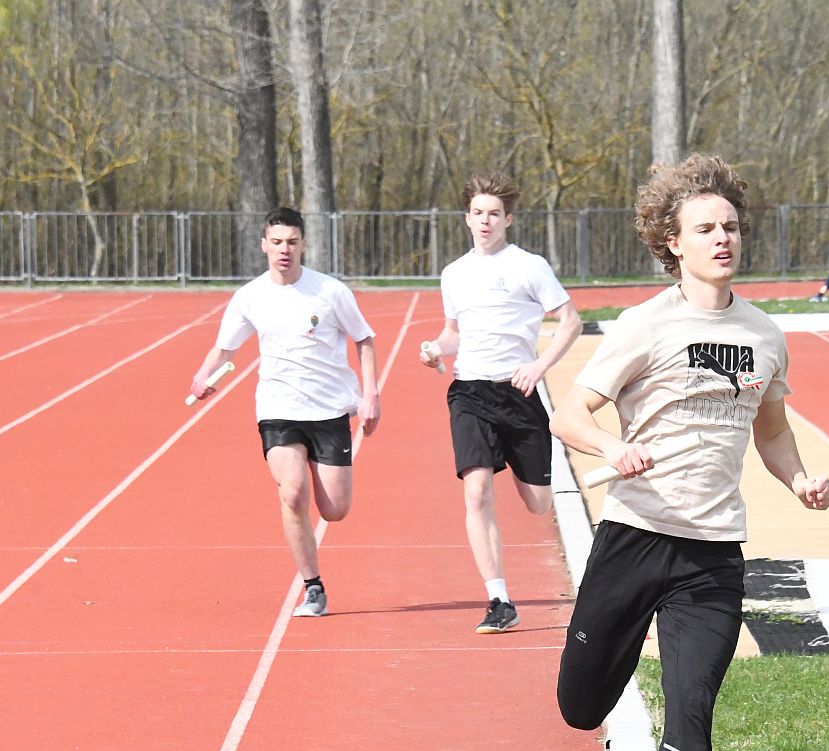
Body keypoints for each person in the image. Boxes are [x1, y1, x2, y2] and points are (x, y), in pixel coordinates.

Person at [551, 155, 829, 751]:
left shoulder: (763, 334)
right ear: (671, 243)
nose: (723, 238)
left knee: (694, 712)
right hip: (634, 538)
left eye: (732, 226)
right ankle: (596, 681)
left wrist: (801, 480)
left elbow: (771, 430)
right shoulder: (647, 325)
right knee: (580, 706)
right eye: (705, 228)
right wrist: (614, 451)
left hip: (711, 554)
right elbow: (569, 414)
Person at [189, 206, 379, 618]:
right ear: (263, 245)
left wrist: (370, 394)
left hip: (329, 409)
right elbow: (226, 347)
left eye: (292, 241)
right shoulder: (250, 296)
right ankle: (313, 587)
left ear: (303, 244)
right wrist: (203, 375)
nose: (284, 250)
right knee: (292, 490)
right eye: (276, 242)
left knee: (334, 510)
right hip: (278, 408)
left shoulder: (329, 292)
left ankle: (316, 556)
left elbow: (364, 339)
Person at [421, 174, 583, 634]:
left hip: (520, 392)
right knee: (476, 490)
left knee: (537, 505)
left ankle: (522, 464)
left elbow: (570, 322)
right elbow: (454, 332)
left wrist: (539, 366)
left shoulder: (529, 266)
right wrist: (435, 348)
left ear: (507, 219)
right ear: (467, 219)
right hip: (470, 392)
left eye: (494, 213)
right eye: (478, 213)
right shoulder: (454, 273)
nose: (485, 221)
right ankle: (499, 599)